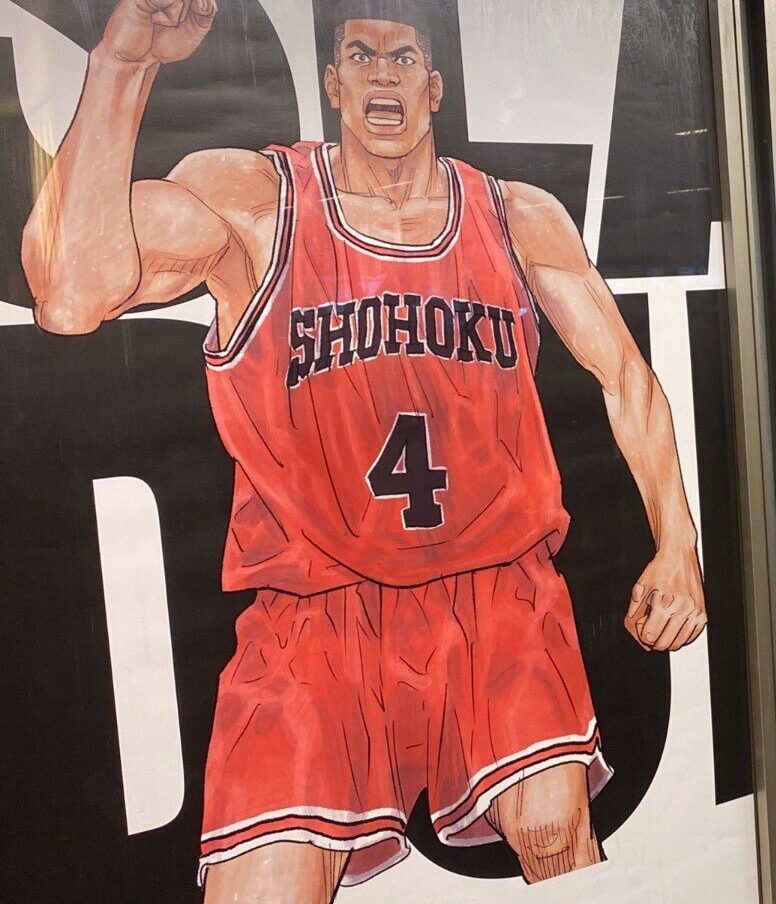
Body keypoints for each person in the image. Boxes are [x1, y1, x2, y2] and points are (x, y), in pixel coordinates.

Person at [22, 1, 707, 899]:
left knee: (555, 836)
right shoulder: (256, 202)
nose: (382, 71)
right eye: (360, 55)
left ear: (434, 88)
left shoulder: (515, 216)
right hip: (317, 609)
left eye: (403, 57)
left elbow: (626, 378)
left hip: (494, 593)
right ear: (334, 85)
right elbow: (71, 295)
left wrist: (678, 543)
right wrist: (124, 65)